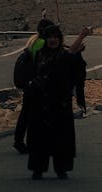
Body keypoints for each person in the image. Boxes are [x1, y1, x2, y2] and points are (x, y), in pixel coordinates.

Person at [13, 23, 80, 180]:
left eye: (56, 37)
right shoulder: (38, 56)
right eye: (50, 37)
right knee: (39, 138)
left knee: (60, 138)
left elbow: (71, 65)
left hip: (59, 104)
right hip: (40, 102)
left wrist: (81, 38)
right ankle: (38, 168)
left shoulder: (63, 56)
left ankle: (61, 169)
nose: (53, 40)